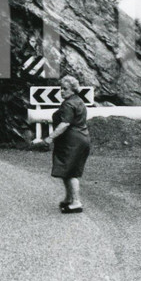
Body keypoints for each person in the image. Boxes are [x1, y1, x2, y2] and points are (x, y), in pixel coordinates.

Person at [44, 74, 91, 214]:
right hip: (81, 138)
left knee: (71, 172)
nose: (61, 91)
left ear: (72, 89)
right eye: (61, 88)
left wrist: (50, 138)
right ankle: (69, 198)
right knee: (68, 170)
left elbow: (65, 124)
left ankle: (76, 202)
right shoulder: (79, 101)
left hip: (72, 141)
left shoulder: (68, 104)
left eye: (64, 89)